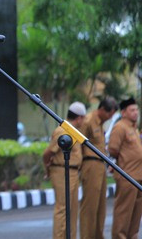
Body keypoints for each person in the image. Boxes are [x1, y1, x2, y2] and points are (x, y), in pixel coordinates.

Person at [43, 101, 86, 239]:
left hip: (73, 172)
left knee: (72, 210)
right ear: (79, 118)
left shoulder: (73, 131)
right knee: (62, 209)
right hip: (61, 171)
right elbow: (48, 153)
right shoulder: (63, 130)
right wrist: (47, 167)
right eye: (83, 118)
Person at [79, 97, 117, 239]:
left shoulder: (100, 123)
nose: (109, 118)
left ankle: (97, 236)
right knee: (90, 206)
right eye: (109, 114)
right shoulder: (88, 121)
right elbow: (79, 144)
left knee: (101, 207)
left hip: (101, 165)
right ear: (101, 109)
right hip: (90, 164)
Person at [108, 98, 142, 239]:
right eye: (132, 110)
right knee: (123, 213)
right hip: (127, 176)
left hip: (139, 176)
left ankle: (132, 236)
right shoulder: (120, 127)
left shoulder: (133, 128)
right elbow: (113, 149)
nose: (135, 113)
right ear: (123, 113)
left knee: (136, 214)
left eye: (136, 109)